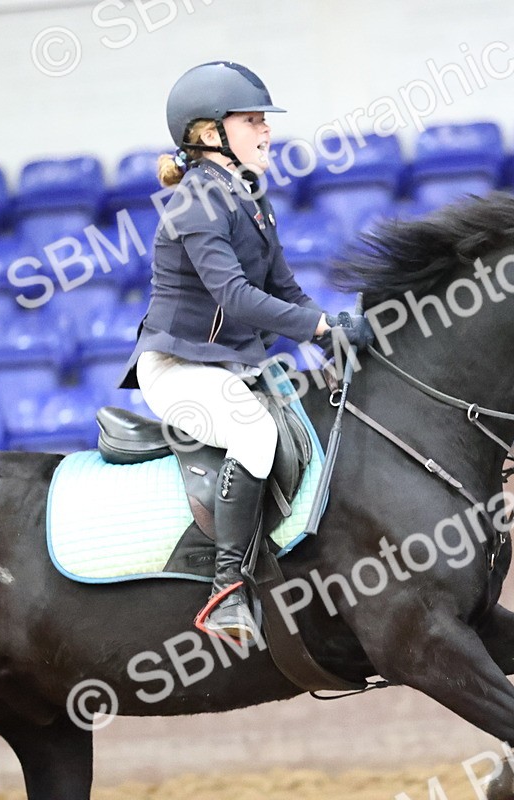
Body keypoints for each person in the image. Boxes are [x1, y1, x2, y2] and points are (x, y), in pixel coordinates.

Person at [118, 61, 374, 643]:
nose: (266, 131)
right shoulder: (195, 204)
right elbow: (234, 298)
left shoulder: (249, 199)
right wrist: (316, 327)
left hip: (232, 366)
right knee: (254, 434)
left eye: (265, 121)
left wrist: (337, 325)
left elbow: (285, 291)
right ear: (210, 135)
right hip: (179, 369)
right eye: (253, 120)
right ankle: (226, 591)